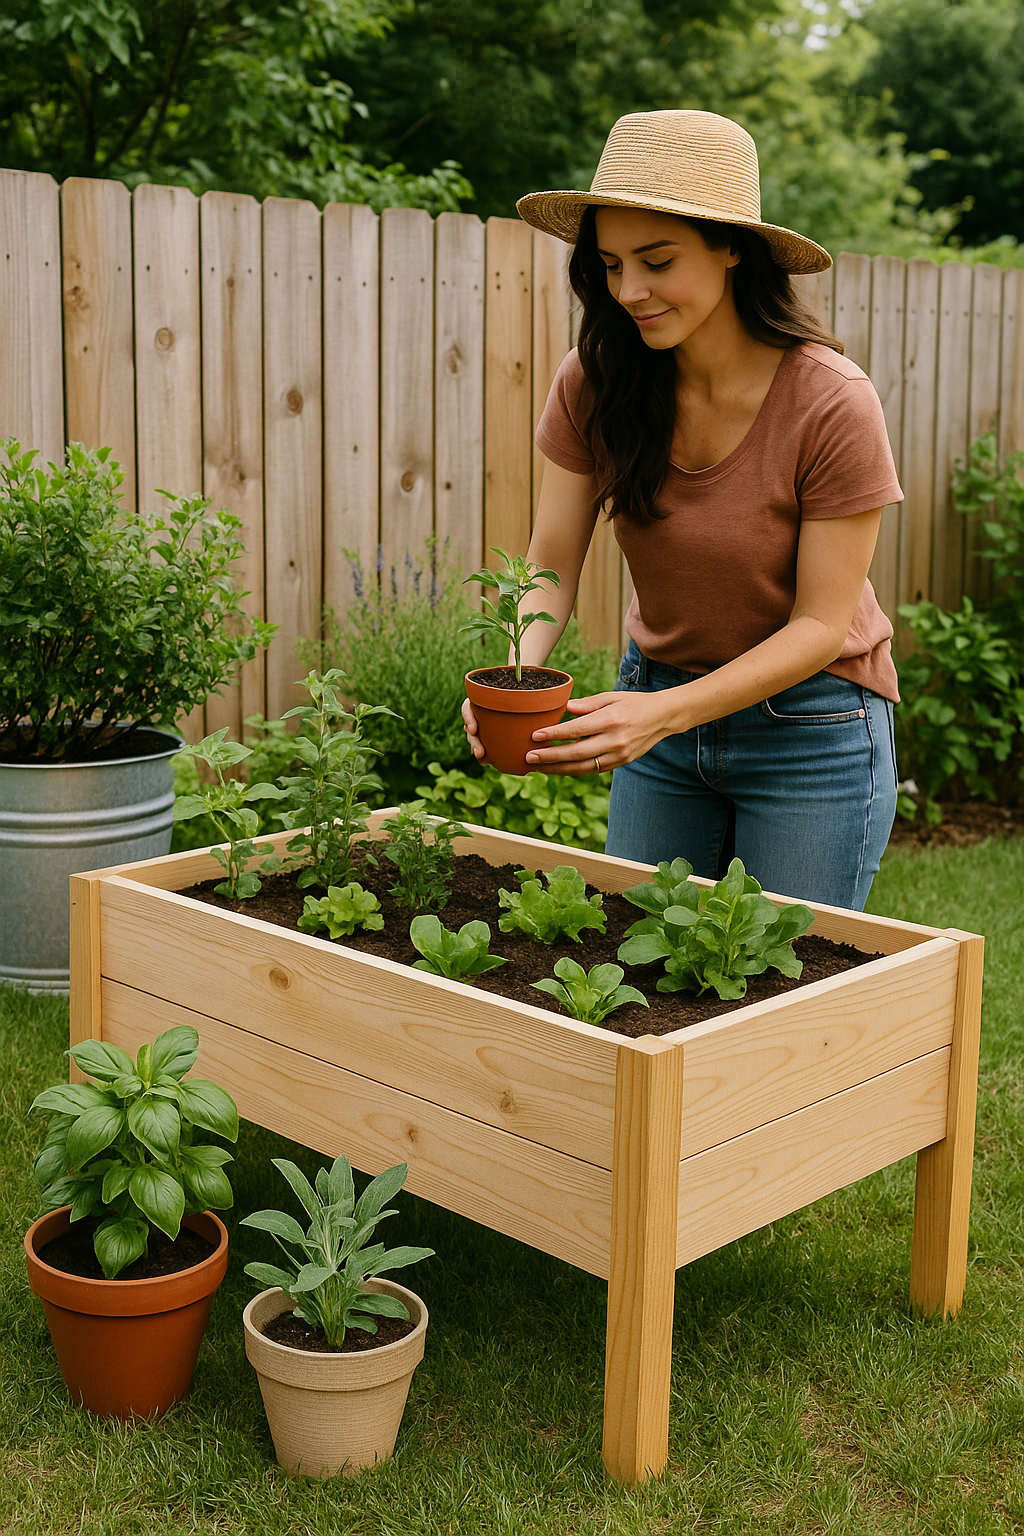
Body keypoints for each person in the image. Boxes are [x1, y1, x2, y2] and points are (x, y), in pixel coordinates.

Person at [463, 109, 902, 911]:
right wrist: (513, 676)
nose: (629, 290)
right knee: (640, 960)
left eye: (657, 260)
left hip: (811, 726)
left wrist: (660, 715)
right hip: (658, 703)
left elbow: (820, 625)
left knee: (784, 971)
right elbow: (549, 562)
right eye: (611, 264)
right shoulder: (596, 381)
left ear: (732, 248)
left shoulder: (831, 402)